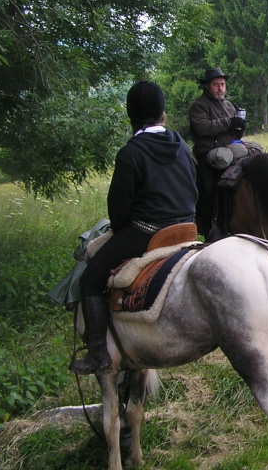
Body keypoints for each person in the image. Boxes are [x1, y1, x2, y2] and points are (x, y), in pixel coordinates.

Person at [70, 81, 198, 375]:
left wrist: (125, 229)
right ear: (162, 115)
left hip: (147, 232)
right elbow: (193, 187)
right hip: (186, 229)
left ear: (131, 116)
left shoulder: (130, 152)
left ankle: (99, 356)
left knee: (89, 280)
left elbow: (118, 210)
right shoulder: (179, 143)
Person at [189, 67, 247, 238]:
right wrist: (229, 122)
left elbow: (233, 133)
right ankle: (209, 228)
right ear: (207, 86)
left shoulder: (228, 105)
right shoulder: (199, 105)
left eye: (222, 84)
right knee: (208, 189)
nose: (221, 88)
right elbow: (202, 127)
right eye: (216, 84)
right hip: (207, 153)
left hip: (230, 150)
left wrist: (240, 126)